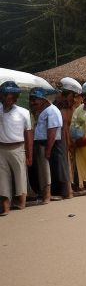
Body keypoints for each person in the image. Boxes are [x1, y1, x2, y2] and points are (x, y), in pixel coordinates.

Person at [30, 87, 72, 202]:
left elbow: (52, 131)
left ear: (43, 99)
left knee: (60, 167)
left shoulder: (51, 110)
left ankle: (67, 193)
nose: (32, 102)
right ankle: (59, 193)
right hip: (46, 142)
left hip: (51, 142)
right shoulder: (43, 111)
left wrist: (48, 149)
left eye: (35, 100)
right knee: (55, 168)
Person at [0, 81, 33, 215]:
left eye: (14, 96)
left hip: (18, 147)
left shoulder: (23, 112)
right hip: (1, 148)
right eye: (8, 95)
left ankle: (21, 203)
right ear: (2, 95)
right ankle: (5, 207)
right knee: (2, 179)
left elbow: (28, 134)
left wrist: (29, 155)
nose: (11, 98)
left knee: (20, 176)